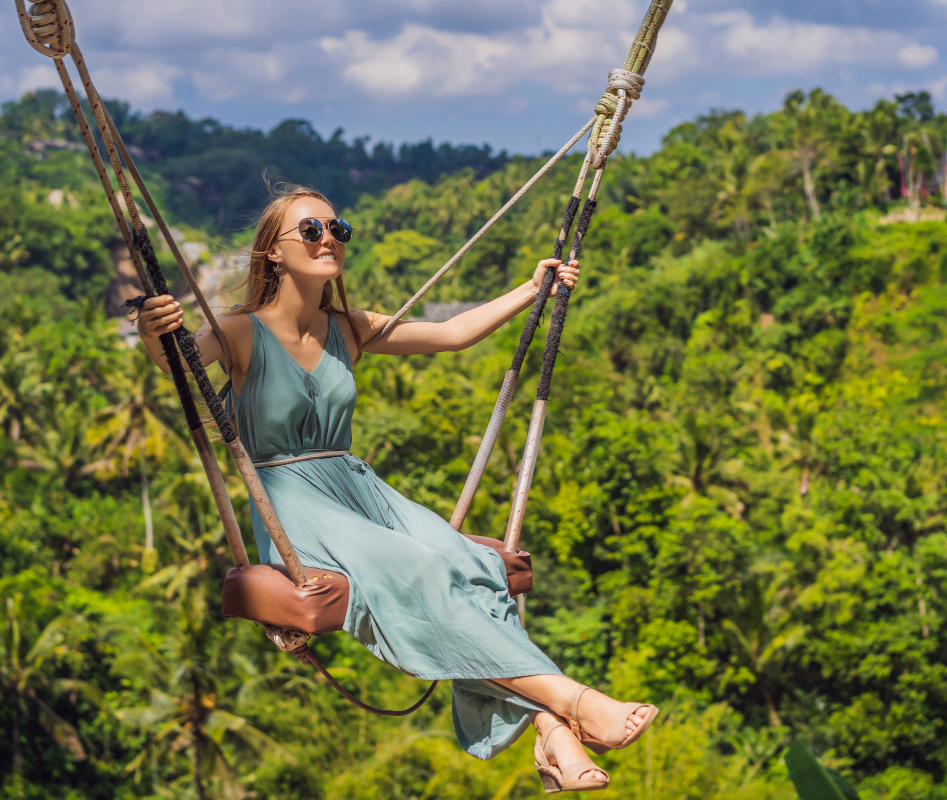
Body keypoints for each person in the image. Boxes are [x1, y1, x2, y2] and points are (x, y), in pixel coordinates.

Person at [136, 184, 656, 793]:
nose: (329, 238)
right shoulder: (240, 333)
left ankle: (549, 729)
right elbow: (177, 363)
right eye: (311, 230)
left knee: (469, 564)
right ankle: (573, 701)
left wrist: (533, 289)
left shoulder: (348, 329)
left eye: (338, 229)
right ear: (273, 252)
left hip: (357, 487)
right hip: (290, 502)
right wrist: (154, 332)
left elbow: (455, 333)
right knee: (420, 569)